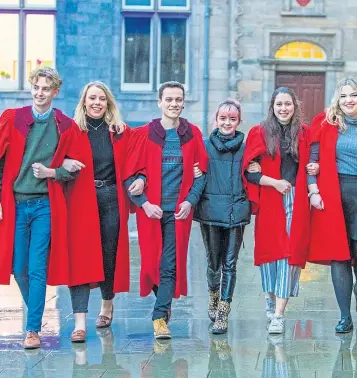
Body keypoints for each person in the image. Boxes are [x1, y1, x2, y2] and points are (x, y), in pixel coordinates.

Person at [0, 67, 102, 349]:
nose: (40, 93)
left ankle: (32, 329)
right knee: (19, 267)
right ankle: (37, 312)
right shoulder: (13, 119)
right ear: (31, 89)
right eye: (36, 88)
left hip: (45, 205)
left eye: (46, 89)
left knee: (37, 267)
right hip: (16, 204)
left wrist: (58, 169)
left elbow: (75, 169)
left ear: (55, 92)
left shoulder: (64, 125)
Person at [123, 81, 208, 339]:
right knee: (151, 265)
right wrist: (145, 204)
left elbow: (201, 174)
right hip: (151, 211)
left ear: (183, 102)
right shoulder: (144, 134)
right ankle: (163, 299)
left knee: (170, 264)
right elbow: (129, 177)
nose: (174, 104)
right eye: (169, 99)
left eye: (178, 99)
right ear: (160, 102)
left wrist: (189, 201)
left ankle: (159, 317)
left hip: (178, 212)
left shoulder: (191, 134)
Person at [306, 77, 357, 333]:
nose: (348, 100)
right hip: (334, 195)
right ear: (337, 99)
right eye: (343, 96)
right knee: (339, 256)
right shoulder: (325, 122)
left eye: (353, 95)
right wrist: (313, 190)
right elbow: (312, 159)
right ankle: (344, 316)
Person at [65, 81, 145, 342]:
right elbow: (56, 158)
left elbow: (138, 162)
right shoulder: (73, 130)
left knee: (109, 253)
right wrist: (65, 161)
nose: (97, 103)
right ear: (84, 102)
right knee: (80, 255)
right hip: (81, 198)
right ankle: (79, 317)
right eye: (92, 98)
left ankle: (106, 305)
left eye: (102, 99)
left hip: (110, 196)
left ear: (108, 102)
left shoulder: (120, 132)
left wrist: (141, 178)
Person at [242, 87, 311, 335]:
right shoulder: (259, 133)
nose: (284, 108)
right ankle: (270, 297)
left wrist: (314, 168)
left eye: (288, 104)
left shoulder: (304, 133)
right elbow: (250, 173)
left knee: (290, 254)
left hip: (296, 198)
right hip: (270, 197)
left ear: (295, 106)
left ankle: (279, 314)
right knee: (269, 255)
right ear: (272, 106)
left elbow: (315, 159)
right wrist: (274, 183)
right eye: (279, 104)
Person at [193, 99, 250, 334]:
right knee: (213, 262)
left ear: (239, 121)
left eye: (232, 119)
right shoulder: (204, 146)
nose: (227, 122)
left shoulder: (247, 149)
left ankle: (223, 312)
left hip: (236, 210)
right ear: (215, 120)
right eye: (223, 118)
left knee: (230, 263)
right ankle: (213, 297)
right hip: (210, 211)